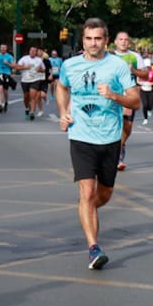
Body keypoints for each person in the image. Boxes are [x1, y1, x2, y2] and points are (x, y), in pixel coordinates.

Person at [56, 18, 140, 270]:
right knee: (87, 192)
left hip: (110, 138)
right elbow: (61, 87)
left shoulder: (118, 66)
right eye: (88, 38)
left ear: (106, 39)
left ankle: (86, 211)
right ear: (82, 40)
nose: (93, 43)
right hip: (81, 136)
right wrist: (63, 111)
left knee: (103, 195)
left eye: (98, 38)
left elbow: (135, 101)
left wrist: (114, 95)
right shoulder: (70, 65)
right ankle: (94, 248)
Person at [113, 31, 141, 171]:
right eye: (121, 39)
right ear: (115, 42)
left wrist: (134, 71)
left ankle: (121, 145)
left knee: (127, 127)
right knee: (114, 124)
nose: (123, 42)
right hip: (112, 96)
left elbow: (146, 73)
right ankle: (116, 155)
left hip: (129, 95)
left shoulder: (134, 57)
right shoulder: (109, 57)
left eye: (126, 39)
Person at [15, 45, 47, 120]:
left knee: (33, 96)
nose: (32, 52)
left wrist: (39, 70)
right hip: (25, 80)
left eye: (34, 51)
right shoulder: (24, 58)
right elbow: (17, 67)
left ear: (36, 52)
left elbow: (44, 69)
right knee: (26, 97)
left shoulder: (39, 60)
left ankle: (32, 112)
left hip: (35, 80)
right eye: (31, 51)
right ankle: (27, 108)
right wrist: (24, 67)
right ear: (29, 51)